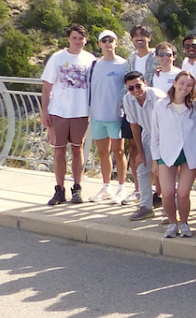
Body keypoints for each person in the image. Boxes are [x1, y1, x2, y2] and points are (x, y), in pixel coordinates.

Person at [41, 24, 95, 206]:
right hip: (59, 112)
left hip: (81, 112)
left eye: (81, 38)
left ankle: (77, 188)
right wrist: (44, 111)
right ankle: (59, 189)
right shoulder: (57, 58)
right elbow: (46, 87)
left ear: (85, 40)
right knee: (59, 151)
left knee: (78, 150)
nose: (77, 41)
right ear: (68, 39)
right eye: (74, 38)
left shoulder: (90, 60)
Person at [152, 71, 196, 238]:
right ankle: (173, 223)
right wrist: (155, 159)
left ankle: (184, 223)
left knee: (183, 193)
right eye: (182, 83)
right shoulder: (161, 105)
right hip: (167, 153)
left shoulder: (195, 105)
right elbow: (155, 134)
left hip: (189, 153)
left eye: (189, 85)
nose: (184, 87)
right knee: (167, 193)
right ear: (174, 83)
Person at [88, 29, 129, 203]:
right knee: (103, 152)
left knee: (119, 152)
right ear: (99, 44)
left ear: (116, 43)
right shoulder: (94, 65)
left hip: (116, 116)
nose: (107, 43)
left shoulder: (123, 64)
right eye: (104, 40)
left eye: (110, 40)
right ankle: (106, 187)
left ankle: (121, 188)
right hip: (97, 115)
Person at [122, 71, 166, 221]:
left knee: (166, 170)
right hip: (148, 133)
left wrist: (156, 156)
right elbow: (134, 126)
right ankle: (146, 207)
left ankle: (170, 207)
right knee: (142, 168)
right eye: (131, 88)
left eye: (138, 86)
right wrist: (140, 152)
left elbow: (166, 124)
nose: (135, 90)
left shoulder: (158, 97)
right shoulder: (127, 99)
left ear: (145, 83)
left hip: (166, 136)